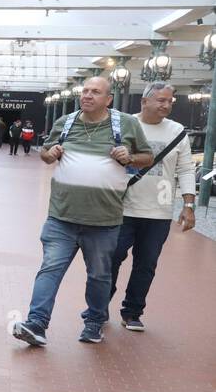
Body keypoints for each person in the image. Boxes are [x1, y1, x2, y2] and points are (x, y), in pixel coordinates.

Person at [12, 77, 152, 347]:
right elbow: (45, 152)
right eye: (85, 91)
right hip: (61, 217)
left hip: (103, 221)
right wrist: (49, 153)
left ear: (108, 99)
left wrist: (130, 157)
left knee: (99, 275)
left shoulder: (126, 124)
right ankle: (36, 324)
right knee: (49, 269)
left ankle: (94, 321)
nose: (87, 96)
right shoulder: (65, 122)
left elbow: (147, 157)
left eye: (95, 92)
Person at [108, 83, 197, 331]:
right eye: (160, 100)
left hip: (158, 211)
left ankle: (133, 311)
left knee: (146, 264)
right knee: (111, 258)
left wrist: (188, 205)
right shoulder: (126, 124)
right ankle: (99, 305)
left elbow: (186, 169)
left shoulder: (177, 131)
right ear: (144, 102)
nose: (166, 105)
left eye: (170, 101)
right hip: (122, 207)